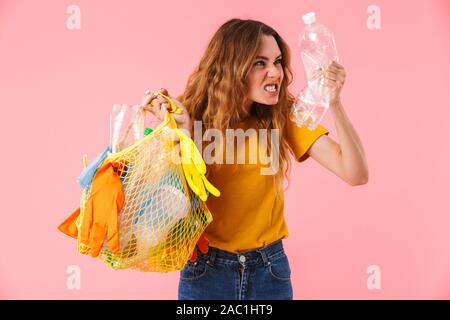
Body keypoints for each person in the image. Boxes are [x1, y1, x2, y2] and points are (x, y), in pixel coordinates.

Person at [142, 18, 368, 300]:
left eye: (277, 61)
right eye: (260, 63)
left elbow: (355, 173)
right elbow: (170, 200)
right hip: (206, 270)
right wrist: (183, 135)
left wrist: (334, 103)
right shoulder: (189, 115)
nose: (275, 73)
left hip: (269, 271)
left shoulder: (283, 113)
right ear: (231, 67)